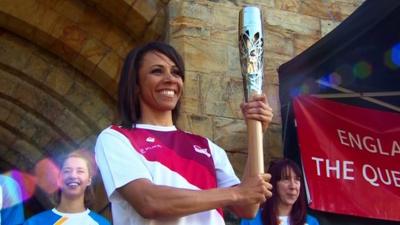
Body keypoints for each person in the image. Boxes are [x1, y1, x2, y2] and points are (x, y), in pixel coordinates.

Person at [94, 41, 274, 225]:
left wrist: (256, 130)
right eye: (157, 71)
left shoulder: (207, 147)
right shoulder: (116, 138)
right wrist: (237, 193)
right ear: (136, 84)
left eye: (176, 72)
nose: (170, 79)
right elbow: (149, 201)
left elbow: (248, 207)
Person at [24, 150, 110, 225]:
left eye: (80, 171)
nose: (73, 175)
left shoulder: (100, 223)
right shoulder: (35, 222)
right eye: (67, 171)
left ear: (89, 180)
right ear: (59, 179)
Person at [240, 159, 319, 225]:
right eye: (286, 179)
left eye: (297, 179)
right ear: (273, 184)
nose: (293, 186)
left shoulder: (311, 222)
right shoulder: (251, 220)